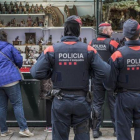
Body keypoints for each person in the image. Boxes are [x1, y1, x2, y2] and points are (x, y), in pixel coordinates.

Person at [30, 15, 111, 140]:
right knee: (82, 136)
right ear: (78, 30)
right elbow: (106, 72)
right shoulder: (89, 49)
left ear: (64, 30)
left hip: (60, 101)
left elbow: (35, 72)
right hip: (82, 101)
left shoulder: (52, 49)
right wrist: (90, 73)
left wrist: (52, 73)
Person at [108, 19, 140, 140]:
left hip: (124, 97)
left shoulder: (118, 54)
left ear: (124, 34)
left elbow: (110, 81)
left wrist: (113, 90)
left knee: (123, 130)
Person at [89, 22, 120, 138]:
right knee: (114, 104)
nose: (112, 32)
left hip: (97, 78)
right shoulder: (113, 43)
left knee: (96, 104)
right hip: (111, 79)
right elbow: (120, 59)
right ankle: (117, 130)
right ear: (105, 31)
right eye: (111, 29)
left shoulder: (91, 43)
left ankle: (95, 131)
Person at [0, 40, 34, 137]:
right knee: (17, 104)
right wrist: (16, 67)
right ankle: (23, 129)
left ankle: (3, 130)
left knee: (2, 106)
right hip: (11, 79)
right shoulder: (9, 47)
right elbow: (19, 59)